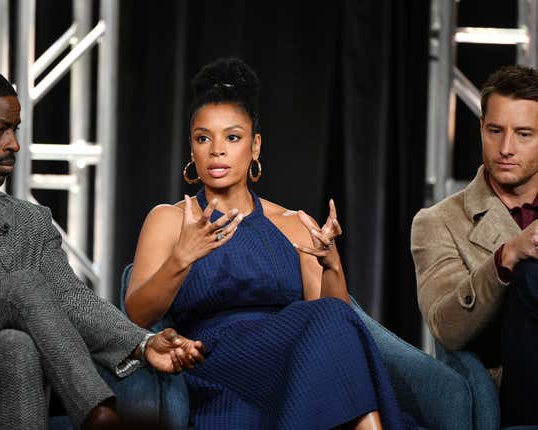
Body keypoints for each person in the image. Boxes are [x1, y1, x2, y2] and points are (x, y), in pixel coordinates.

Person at [0, 64, 205, 430]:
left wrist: (143, 343)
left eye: (15, 130)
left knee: (16, 347)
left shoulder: (28, 221)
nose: (13, 144)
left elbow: (72, 299)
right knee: (19, 287)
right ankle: (96, 413)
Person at [125, 58, 412, 429]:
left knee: (332, 319)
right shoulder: (168, 219)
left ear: (255, 146)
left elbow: (335, 321)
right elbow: (136, 316)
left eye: (232, 137)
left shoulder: (292, 223)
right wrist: (182, 257)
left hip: (292, 366)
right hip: (217, 364)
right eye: (203, 138)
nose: (217, 151)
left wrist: (331, 263)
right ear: (192, 149)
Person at [411, 64, 538, 426]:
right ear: (481, 128)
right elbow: (446, 326)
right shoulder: (438, 222)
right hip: (513, 388)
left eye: (524, 134)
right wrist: (506, 257)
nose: (506, 148)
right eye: (495, 131)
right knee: (529, 272)